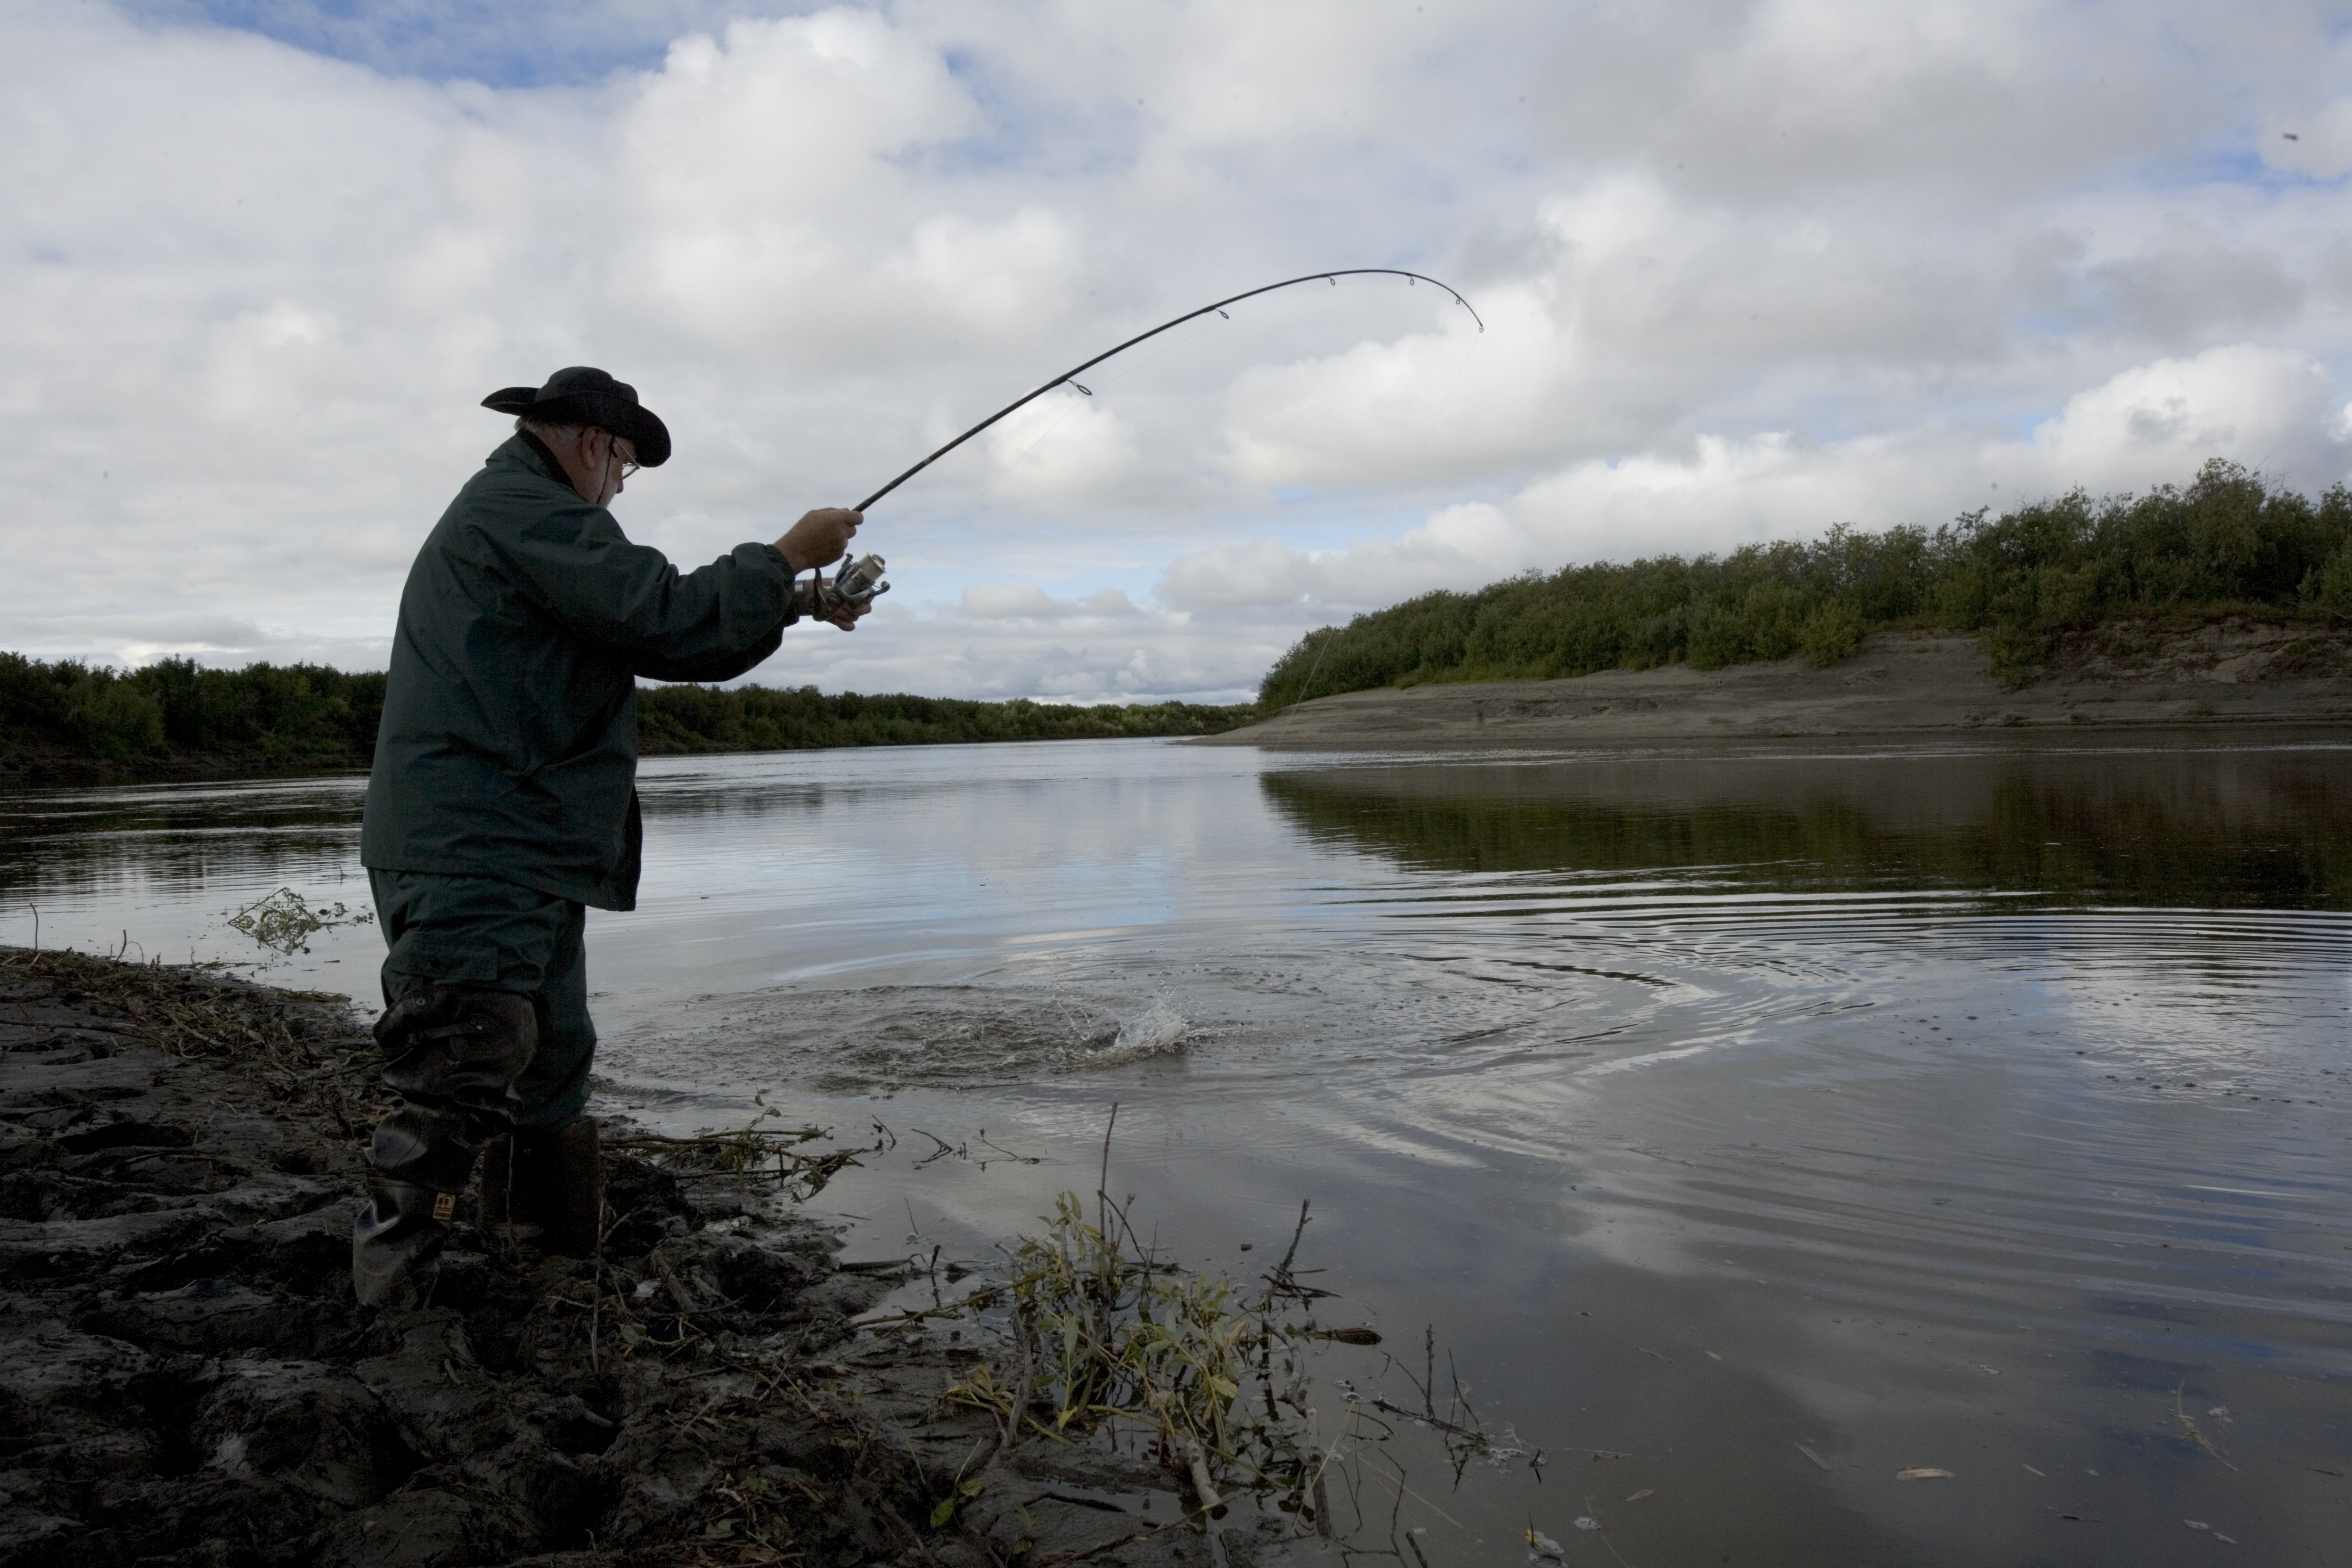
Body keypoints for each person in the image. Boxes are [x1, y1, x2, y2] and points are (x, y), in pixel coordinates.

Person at [351, 366, 866, 1307]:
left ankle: (544, 1261)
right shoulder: (523, 508)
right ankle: (399, 1299)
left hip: (519, 845)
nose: (621, 485)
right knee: (460, 1064)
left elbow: (642, 629)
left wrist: (796, 602)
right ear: (593, 443)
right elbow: (662, 614)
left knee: (548, 1061)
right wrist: (786, 553)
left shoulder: (527, 518)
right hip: (476, 844)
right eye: (625, 465)